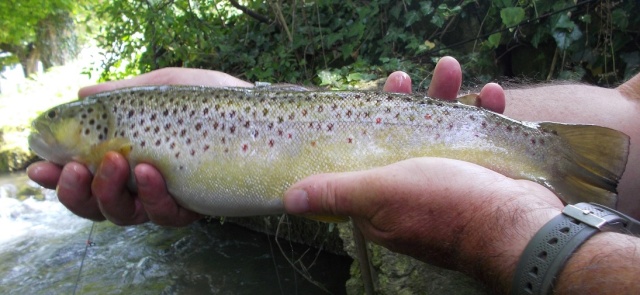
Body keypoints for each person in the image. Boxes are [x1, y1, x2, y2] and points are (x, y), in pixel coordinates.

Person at [27, 57, 640, 294]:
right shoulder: (124, 125)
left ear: (93, 120)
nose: (46, 130)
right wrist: (247, 97)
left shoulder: (114, 120)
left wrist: (509, 230)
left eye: (57, 120)